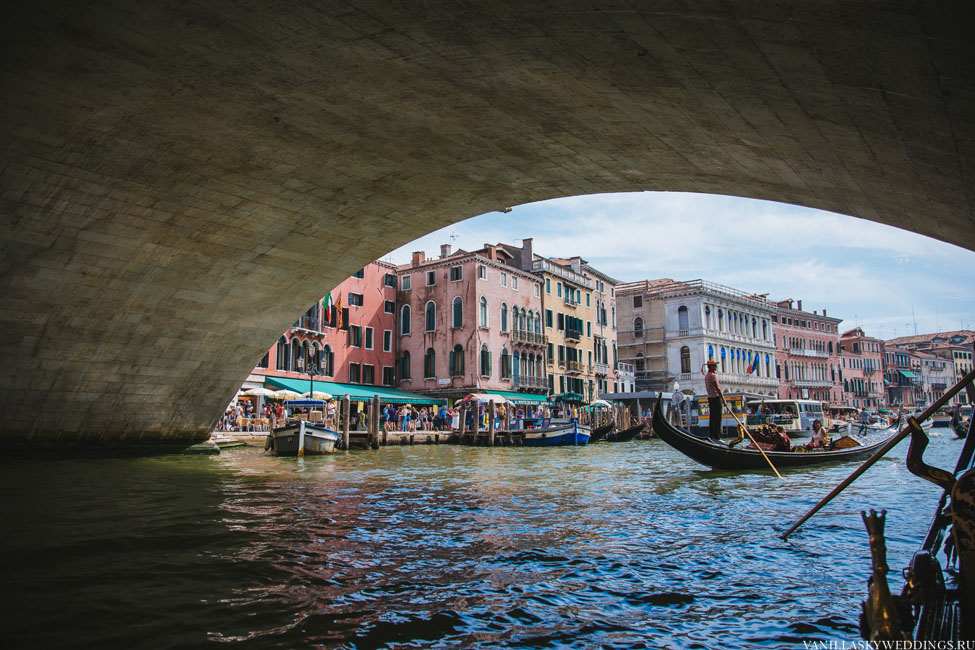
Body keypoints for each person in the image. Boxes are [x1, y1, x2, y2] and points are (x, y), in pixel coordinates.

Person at [704, 360, 723, 441]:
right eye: (715, 365)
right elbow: (717, 388)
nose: (716, 367)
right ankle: (717, 437)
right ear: (711, 367)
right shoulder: (713, 376)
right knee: (718, 418)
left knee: (712, 417)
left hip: (710, 398)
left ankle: (712, 435)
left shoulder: (706, 376)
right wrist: (724, 399)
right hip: (716, 397)